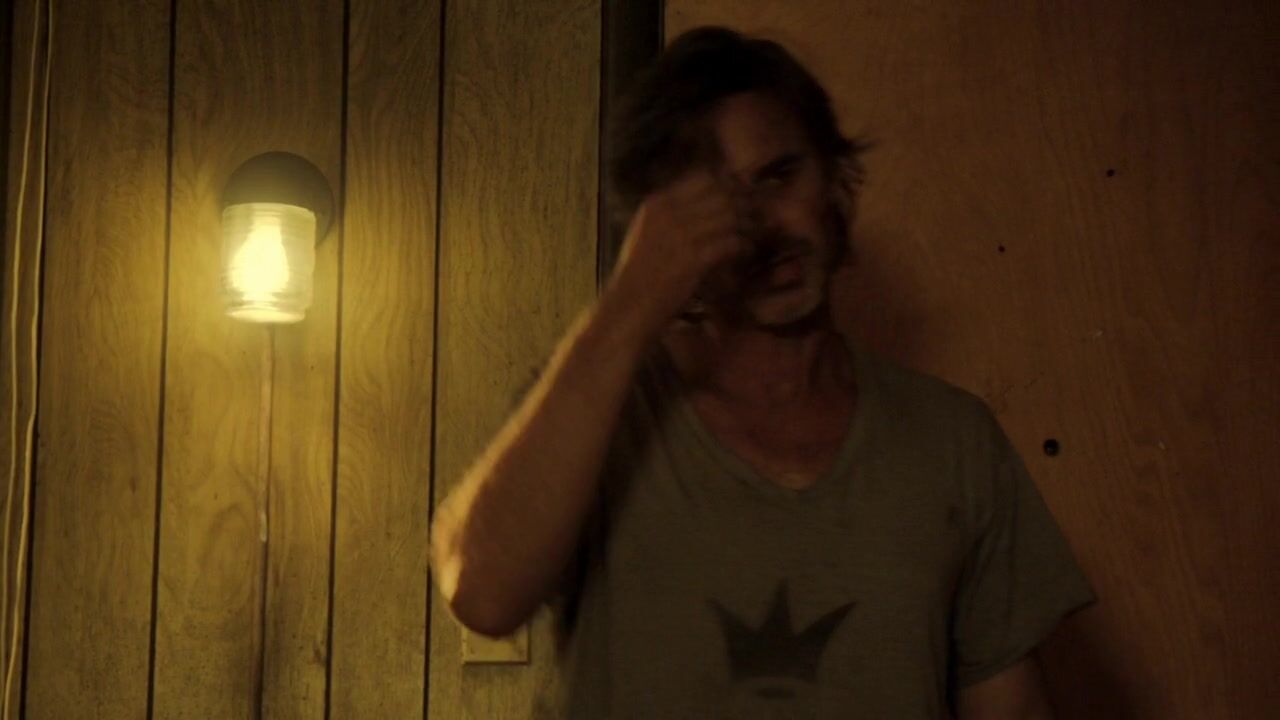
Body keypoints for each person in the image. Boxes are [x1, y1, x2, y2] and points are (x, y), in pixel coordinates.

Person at [430, 26, 1095, 719]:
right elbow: (481, 594)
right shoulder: (598, 407)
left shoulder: (953, 441)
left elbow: (1010, 704)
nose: (764, 226)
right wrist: (630, 300)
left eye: (779, 176)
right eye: (716, 202)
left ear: (835, 181)